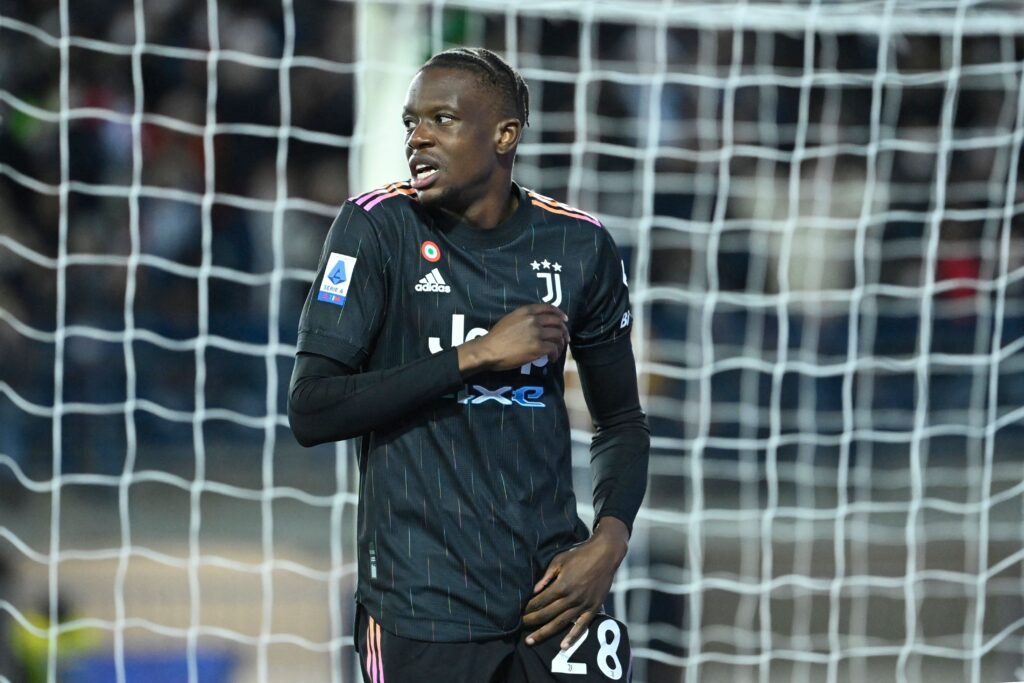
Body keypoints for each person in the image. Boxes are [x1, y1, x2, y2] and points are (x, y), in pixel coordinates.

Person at [289, 47, 649, 682]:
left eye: (442, 119)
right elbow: (312, 409)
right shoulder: (375, 229)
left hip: (554, 596)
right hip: (420, 606)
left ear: (505, 135)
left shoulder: (578, 244)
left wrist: (609, 541)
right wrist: (475, 354)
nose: (417, 138)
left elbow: (620, 419)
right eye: (411, 123)